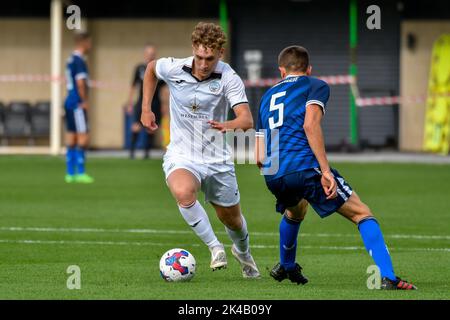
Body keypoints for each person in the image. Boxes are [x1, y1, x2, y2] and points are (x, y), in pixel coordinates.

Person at [255, 45, 417, 289]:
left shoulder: (266, 97)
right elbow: (310, 125)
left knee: (296, 211)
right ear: (308, 69)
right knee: (362, 213)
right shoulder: (314, 85)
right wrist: (326, 171)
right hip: (305, 167)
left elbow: (257, 155)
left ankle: (286, 266)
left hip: (273, 172)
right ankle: (389, 277)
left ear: (281, 71)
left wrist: (280, 173)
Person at [141, 22, 260, 278]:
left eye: (210, 58)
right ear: (193, 49)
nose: (204, 64)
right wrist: (146, 108)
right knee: (183, 192)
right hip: (182, 154)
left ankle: (244, 253)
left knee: (232, 220)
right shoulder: (174, 67)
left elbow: (247, 121)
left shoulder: (229, 78)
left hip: (217, 158)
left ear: (221, 53)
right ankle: (215, 247)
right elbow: (151, 70)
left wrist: (227, 125)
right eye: (200, 57)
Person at [127, 44, 168, 159]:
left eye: (153, 54)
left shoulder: (159, 70)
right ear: (145, 55)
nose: (150, 56)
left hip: (155, 102)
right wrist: (130, 103)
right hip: (141, 101)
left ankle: (146, 154)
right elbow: (133, 86)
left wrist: (164, 105)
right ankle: (132, 153)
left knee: (151, 128)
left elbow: (164, 89)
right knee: (136, 126)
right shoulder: (139, 68)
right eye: (149, 54)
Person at [63, 32, 94, 184]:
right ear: (83, 42)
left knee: (71, 136)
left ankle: (69, 173)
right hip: (77, 103)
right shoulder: (80, 61)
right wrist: (84, 101)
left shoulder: (69, 60)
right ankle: (80, 172)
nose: (90, 46)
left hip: (69, 101)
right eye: (89, 42)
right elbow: (80, 82)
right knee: (83, 137)